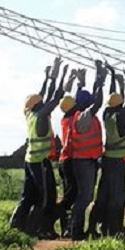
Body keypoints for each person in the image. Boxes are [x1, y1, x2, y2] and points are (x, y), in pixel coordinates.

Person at [10, 57, 68, 239]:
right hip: (40, 162)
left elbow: (45, 95)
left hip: (29, 161)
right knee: (46, 197)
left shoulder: (30, 114)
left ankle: (16, 224)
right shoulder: (42, 115)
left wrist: (50, 76)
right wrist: (62, 75)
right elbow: (55, 97)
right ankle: (39, 229)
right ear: (38, 105)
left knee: (28, 195)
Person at [87, 64, 125, 238]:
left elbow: (113, 96)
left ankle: (94, 226)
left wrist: (114, 76)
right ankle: (114, 229)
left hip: (106, 160)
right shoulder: (121, 118)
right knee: (117, 197)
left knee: (103, 195)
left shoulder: (106, 114)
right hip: (116, 163)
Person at [70, 60, 106, 241]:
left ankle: (76, 230)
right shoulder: (83, 117)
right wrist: (100, 80)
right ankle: (75, 231)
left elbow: (86, 99)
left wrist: (83, 83)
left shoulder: (79, 114)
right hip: (84, 162)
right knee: (84, 198)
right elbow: (98, 102)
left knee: (84, 197)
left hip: (85, 161)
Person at [57, 69, 81, 238]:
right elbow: (79, 102)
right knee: (71, 196)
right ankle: (59, 220)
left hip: (63, 159)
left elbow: (69, 100)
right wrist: (78, 83)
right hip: (70, 160)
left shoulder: (65, 117)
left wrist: (71, 79)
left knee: (68, 193)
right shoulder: (74, 117)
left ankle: (65, 227)